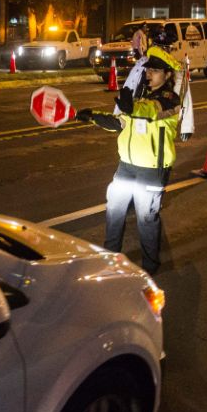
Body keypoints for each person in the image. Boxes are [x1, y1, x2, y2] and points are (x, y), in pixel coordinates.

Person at [75, 46, 185, 275]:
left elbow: (149, 111)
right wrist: (91, 116)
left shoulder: (170, 99)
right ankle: (110, 260)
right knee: (114, 212)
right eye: (148, 70)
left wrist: (131, 105)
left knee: (146, 220)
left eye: (154, 70)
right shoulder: (140, 97)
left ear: (166, 75)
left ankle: (149, 268)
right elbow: (120, 123)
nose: (148, 74)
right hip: (126, 166)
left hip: (152, 170)